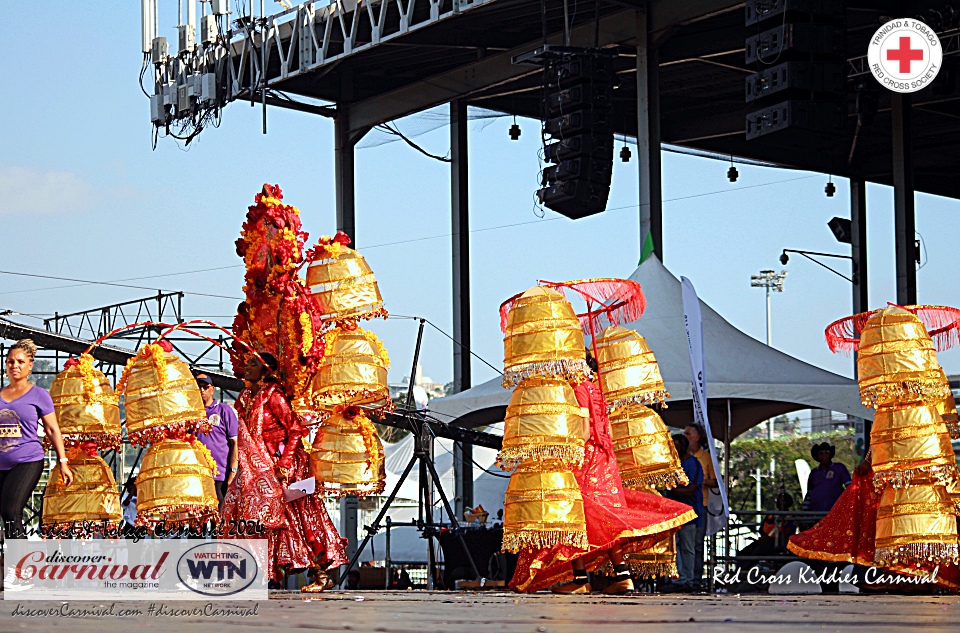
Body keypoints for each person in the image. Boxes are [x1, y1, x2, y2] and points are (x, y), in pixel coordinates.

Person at [510, 349, 696, 595]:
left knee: (575, 517)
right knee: (605, 519)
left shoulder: (577, 390)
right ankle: (621, 577)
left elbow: (585, 432)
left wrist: (560, 446)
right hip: (604, 461)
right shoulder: (596, 389)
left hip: (585, 460)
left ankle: (581, 580)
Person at [222, 352, 347, 591]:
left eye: (253, 363)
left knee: (298, 521)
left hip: (284, 467)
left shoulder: (274, 395)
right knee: (239, 512)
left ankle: (321, 575)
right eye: (246, 363)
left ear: (266, 369)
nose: (247, 367)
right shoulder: (245, 396)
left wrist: (285, 463)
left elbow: (296, 430)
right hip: (255, 469)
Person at [1, 340, 73, 539]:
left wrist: (63, 462)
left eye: (20, 362)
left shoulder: (39, 395)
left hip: (27, 460)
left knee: (11, 511)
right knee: (5, 515)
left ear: (30, 365)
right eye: (11, 361)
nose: (15, 365)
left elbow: (52, 429)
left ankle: (20, 565)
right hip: (0, 463)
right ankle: (13, 561)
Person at [664, 433, 704, 590]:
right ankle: (677, 578)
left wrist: (670, 489)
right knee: (675, 546)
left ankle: (687, 578)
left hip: (689, 512)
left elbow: (691, 490)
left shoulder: (693, 464)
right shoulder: (671, 464)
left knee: (687, 546)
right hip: (673, 512)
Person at [194, 373, 238, 507]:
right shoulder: (191, 413)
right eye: (198, 387)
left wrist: (232, 473)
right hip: (197, 475)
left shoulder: (224, 410)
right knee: (198, 518)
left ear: (212, 389)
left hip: (220, 475)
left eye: (205, 387)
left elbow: (235, 443)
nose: (201, 390)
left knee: (220, 517)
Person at [684, 423, 717, 585]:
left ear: (697, 437)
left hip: (700, 504)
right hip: (683, 505)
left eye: (689, 434)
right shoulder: (680, 457)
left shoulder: (705, 457)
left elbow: (716, 481)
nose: (686, 438)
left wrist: (699, 481)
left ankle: (696, 577)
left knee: (697, 543)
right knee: (684, 543)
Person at [803, 442, 851, 514]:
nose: (824, 455)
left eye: (827, 452)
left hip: (835, 513)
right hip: (815, 514)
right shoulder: (814, 473)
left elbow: (849, 487)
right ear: (817, 455)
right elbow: (809, 495)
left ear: (831, 454)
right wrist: (804, 513)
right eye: (821, 453)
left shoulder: (839, 468)